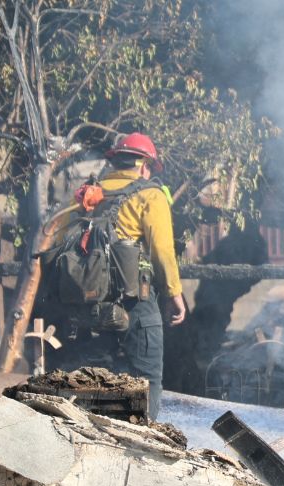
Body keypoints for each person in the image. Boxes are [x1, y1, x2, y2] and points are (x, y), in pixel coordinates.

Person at [50, 132, 188, 416]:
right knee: (147, 381)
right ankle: (145, 441)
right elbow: (162, 251)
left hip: (84, 309)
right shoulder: (150, 194)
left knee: (91, 380)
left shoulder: (85, 195)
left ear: (114, 162)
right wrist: (174, 294)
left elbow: (60, 240)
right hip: (136, 304)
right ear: (144, 165)